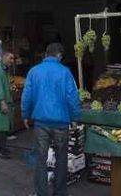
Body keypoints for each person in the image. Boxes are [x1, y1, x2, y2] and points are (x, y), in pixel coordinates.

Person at [21, 43, 80, 196]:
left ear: (46, 55)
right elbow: (72, 97)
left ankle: (41, 193)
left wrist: (25, 114)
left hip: (41, 123)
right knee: (61, 159)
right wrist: (74, 118)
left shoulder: (34, 71)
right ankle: (60, 193)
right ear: (59, 55)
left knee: (41, 159)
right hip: (61, 123)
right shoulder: (65, 72)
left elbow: (26, 96)